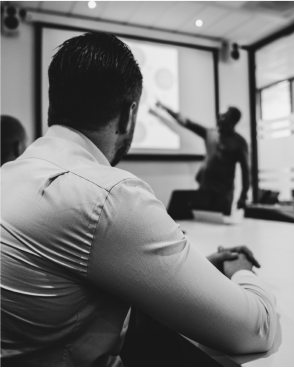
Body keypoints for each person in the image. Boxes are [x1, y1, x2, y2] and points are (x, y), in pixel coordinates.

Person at [0, 32, 276, 366]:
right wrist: (242, 272)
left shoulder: (10, 174)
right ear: (129, 115)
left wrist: (190, 269)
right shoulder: (108, 195)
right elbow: (256, 328)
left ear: (52, 105)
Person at [156, 101, 250, 215]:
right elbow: (187, 122)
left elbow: (246, 170)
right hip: (204, 188)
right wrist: (166, 108)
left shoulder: (239, 142)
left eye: (224, 116)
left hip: (223, 194)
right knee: (200, 222)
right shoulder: (210, 133)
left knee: (220, 229)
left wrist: (243, 196)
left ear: (232, 121)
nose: (219, 118)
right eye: (219, 115)